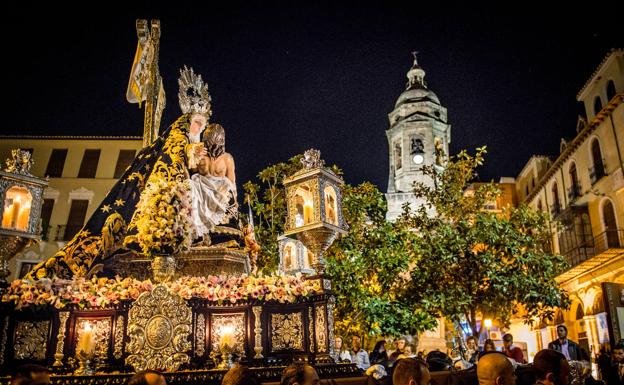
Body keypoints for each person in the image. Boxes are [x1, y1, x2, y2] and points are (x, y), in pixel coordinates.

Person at [189, 123, 238, 237]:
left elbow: (231, 183)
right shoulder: (200, 156)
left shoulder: (227, 158)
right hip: (201, 191)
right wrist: (194, 155)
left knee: (226, 188)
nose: (212, 145)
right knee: (191, 185)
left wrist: (234, 202)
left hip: (220, 194)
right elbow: (193, 172)